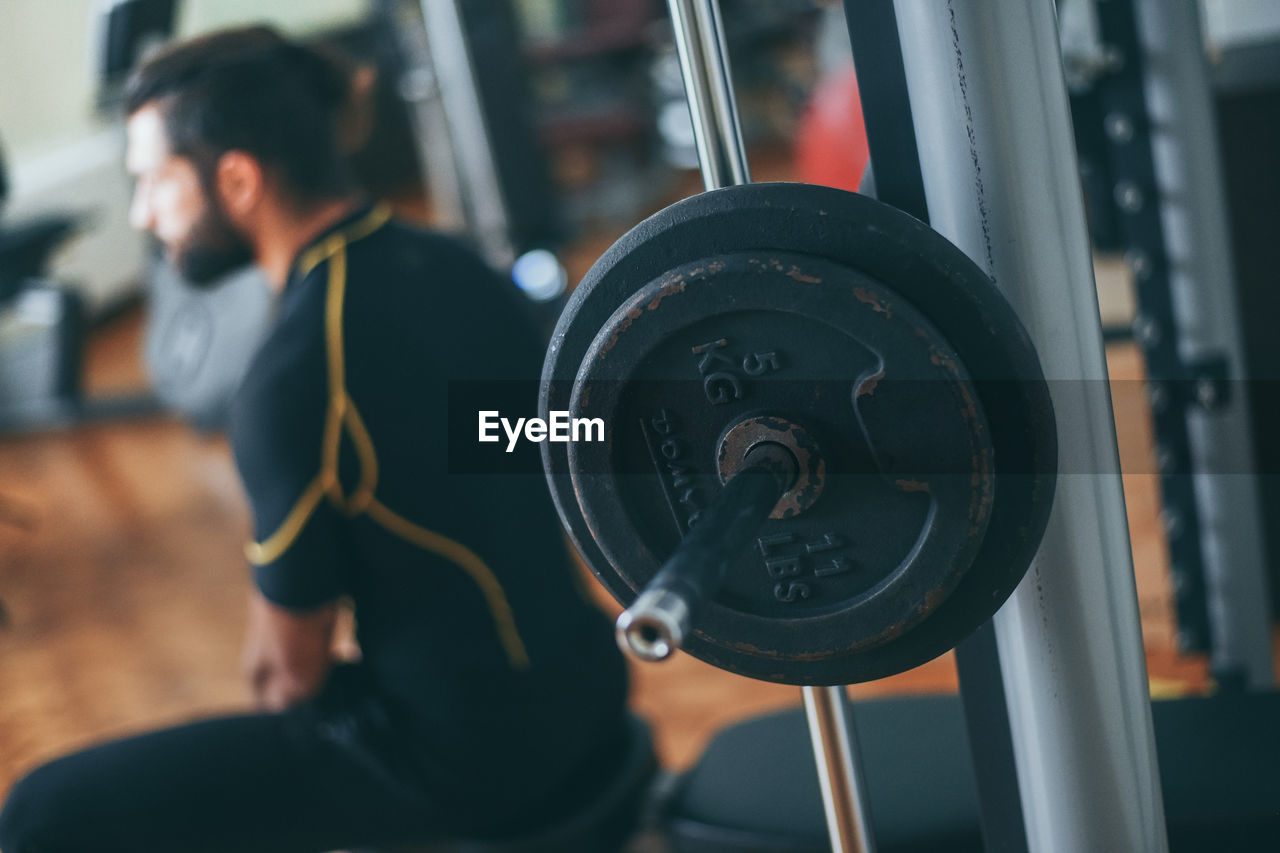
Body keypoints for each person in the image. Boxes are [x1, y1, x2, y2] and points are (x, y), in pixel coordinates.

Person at [0, 26, 629, 853]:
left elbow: (287, 676)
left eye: (153, 181)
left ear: (237, 178)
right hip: (590, 693)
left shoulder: (294, 371)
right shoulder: (456, 264)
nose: (143, 214)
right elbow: (513, 460)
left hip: (471, 763)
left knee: (46, 810)